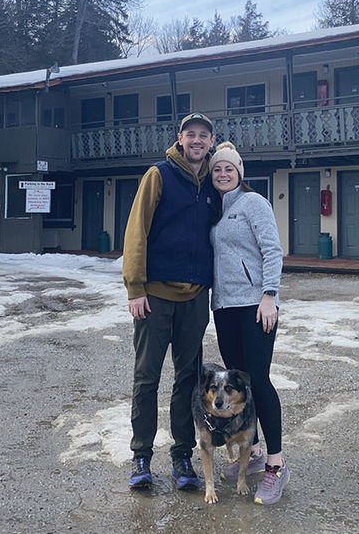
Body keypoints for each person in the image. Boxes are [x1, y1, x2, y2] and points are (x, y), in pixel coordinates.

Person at [123, 112, 216, 490]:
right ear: (179, 139)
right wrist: (135, 287)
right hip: (156, 296)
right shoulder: (158, 175)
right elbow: (136, 231)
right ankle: (141, 453)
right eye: (190, 134)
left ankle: (182, 456)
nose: (197, 140)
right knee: (147, 377)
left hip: (195, 298)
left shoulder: (215, 183)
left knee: (188, 379)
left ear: (212, 142)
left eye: (203, 136)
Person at [209, 141, 290, 505]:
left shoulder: (254, 203)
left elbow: (272, 249)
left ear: (239, 172)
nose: (223, 174)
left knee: (257, 381)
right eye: (217, 169)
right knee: (237, 381)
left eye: (229, 168)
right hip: (225, 307)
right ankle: (253, 453)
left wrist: (269, 294)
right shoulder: (217, 210)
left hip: (255, 306)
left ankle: (275, 465)